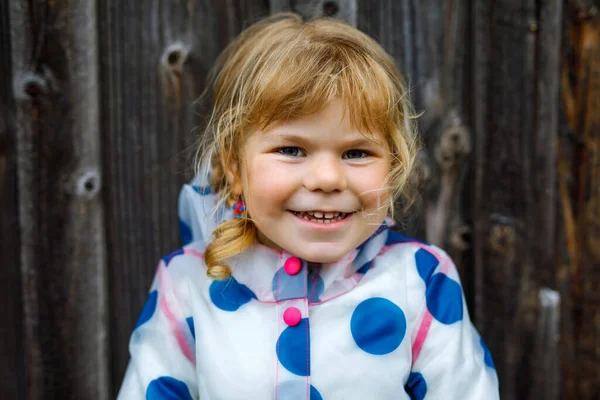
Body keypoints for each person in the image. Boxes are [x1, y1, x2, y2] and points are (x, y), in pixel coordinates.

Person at [117, 12, 499, 400]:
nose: (328, 178)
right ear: (233, 166)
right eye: (291, 149)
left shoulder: (420, 281)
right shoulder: (188, 283)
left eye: (356, 152)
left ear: (394, 165)